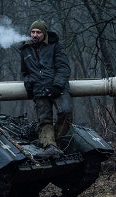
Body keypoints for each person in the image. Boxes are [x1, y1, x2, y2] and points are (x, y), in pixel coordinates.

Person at [20, 20, 72, 158]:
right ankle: (50, 146)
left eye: (38, 32)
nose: (35, 35)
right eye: (33, 32)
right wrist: (28, 84)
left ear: (44, 33)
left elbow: (64, 68)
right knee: (45, 121)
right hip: (39, 89)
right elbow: (25, 73)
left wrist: (57, 85)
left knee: (66, 112)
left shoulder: (55, 46)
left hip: (58, 88)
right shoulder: (25, 49)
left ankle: (57, 143)